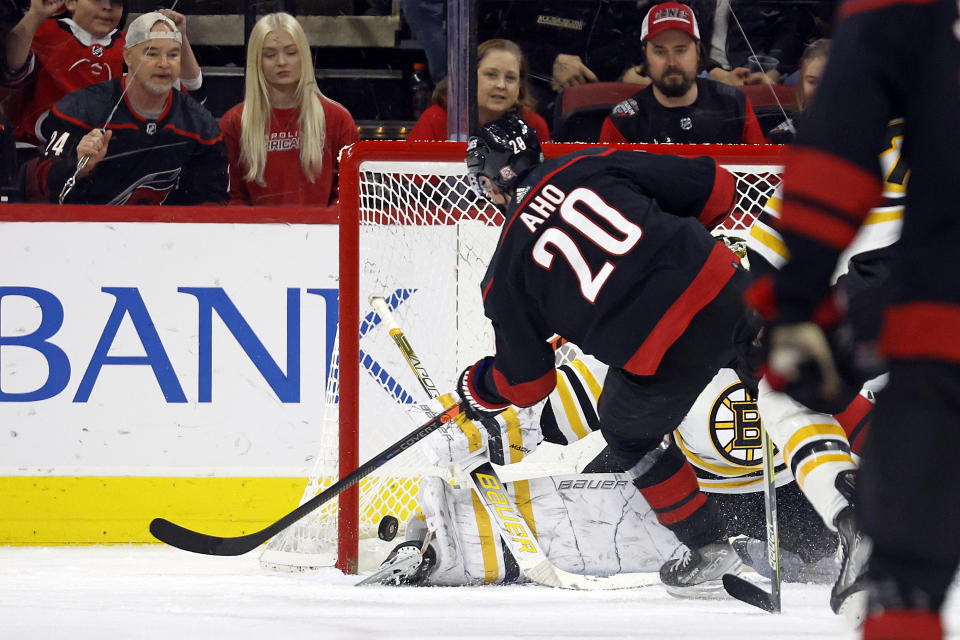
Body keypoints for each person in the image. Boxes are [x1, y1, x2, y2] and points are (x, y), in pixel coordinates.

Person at [447, 112, 752, 595]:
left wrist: (479, 385)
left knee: (627, 433)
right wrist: (660, 244)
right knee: (801, 385)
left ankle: (710, 551)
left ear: (492, 181)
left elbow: (527, 385)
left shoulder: (503, 275)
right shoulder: (585, 163)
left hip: (660, 354)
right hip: (724, 290)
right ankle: (869, 513)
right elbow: (719, 188)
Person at [748, 1, 959, 637]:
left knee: (782, 384)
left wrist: (789, 314)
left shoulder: (895, 33)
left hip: (918, 308)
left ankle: (861, 530)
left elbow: (779, 245)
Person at [23, 11, 227, 205]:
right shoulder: (80, 109)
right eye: (151, 53)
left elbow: (212, 201)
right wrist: (76, 166)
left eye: (173, 55)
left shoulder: (201, 124)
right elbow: (31, 185)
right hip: (86, 234)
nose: (164, 64)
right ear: (127, 56)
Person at [2, 0, 202, 148]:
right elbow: (11, 67)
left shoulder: (132, 44)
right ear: (71, 2)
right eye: (98, 0)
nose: (107, 7)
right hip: (39, 152)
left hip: (105, 155)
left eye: (116, 1)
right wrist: (35, 15)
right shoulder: (41, 32)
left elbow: (191, 88)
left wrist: (180, 36)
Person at [219, 12, 358, 207]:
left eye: (291, 52)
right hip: (256, 235)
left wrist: (322, 231)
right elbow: (233, 197)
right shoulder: (233, 122)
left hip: (321, 235)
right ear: (256, 62)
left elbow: (349, 195)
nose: (282, 62)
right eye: (270, 55)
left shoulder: (337, 119)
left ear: (304, 56)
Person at [597, 2, 766, 145]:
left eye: (681, 50)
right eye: (660, 52)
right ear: (645, 54)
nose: (672, 62)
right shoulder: (622, 122)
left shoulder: (736, 104)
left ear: (698, 51)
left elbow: (765, 177)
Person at [478, 1, 646, 128]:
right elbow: (486, 37)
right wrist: (551, 61)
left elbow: (634, 37)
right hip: (529, 85)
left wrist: (583, 68)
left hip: (600, 88)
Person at [406, 39, 549, 143]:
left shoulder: (533, 126)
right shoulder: (437, 119)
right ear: (469, 78)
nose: (501, 85)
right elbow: (410, 182)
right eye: (491, 75)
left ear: (520, 86)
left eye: (510, 78)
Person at [687, 0, 821, 87]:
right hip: (705, 70)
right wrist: (717, 73)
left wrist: (775, 72)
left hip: (756, 74)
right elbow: (685, 38)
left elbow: (790, 28)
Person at [767, 38, 831, 144]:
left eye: (827, 82)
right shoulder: (780, 136)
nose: (819, 90)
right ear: (801, 81)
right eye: (812, 82)